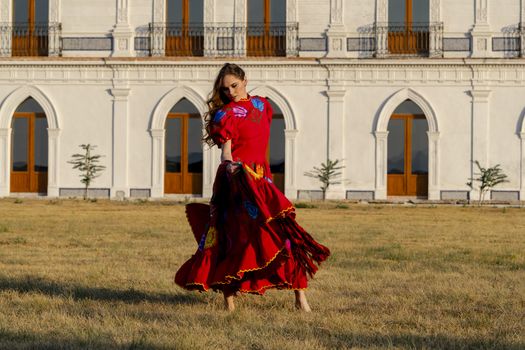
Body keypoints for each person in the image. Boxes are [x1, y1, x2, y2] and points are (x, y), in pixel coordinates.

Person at [175, 63, 330, 311]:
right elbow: (226, 151)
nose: (231, 92)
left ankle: (300, 297)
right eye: (225, 89)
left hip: (262, 179)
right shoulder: (223, 115)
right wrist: (231, 167)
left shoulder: (264, 106)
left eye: (234, 86)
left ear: (245, 80)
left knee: (283, 236)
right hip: (236, 178)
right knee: (233, 238)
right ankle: (230, 303)